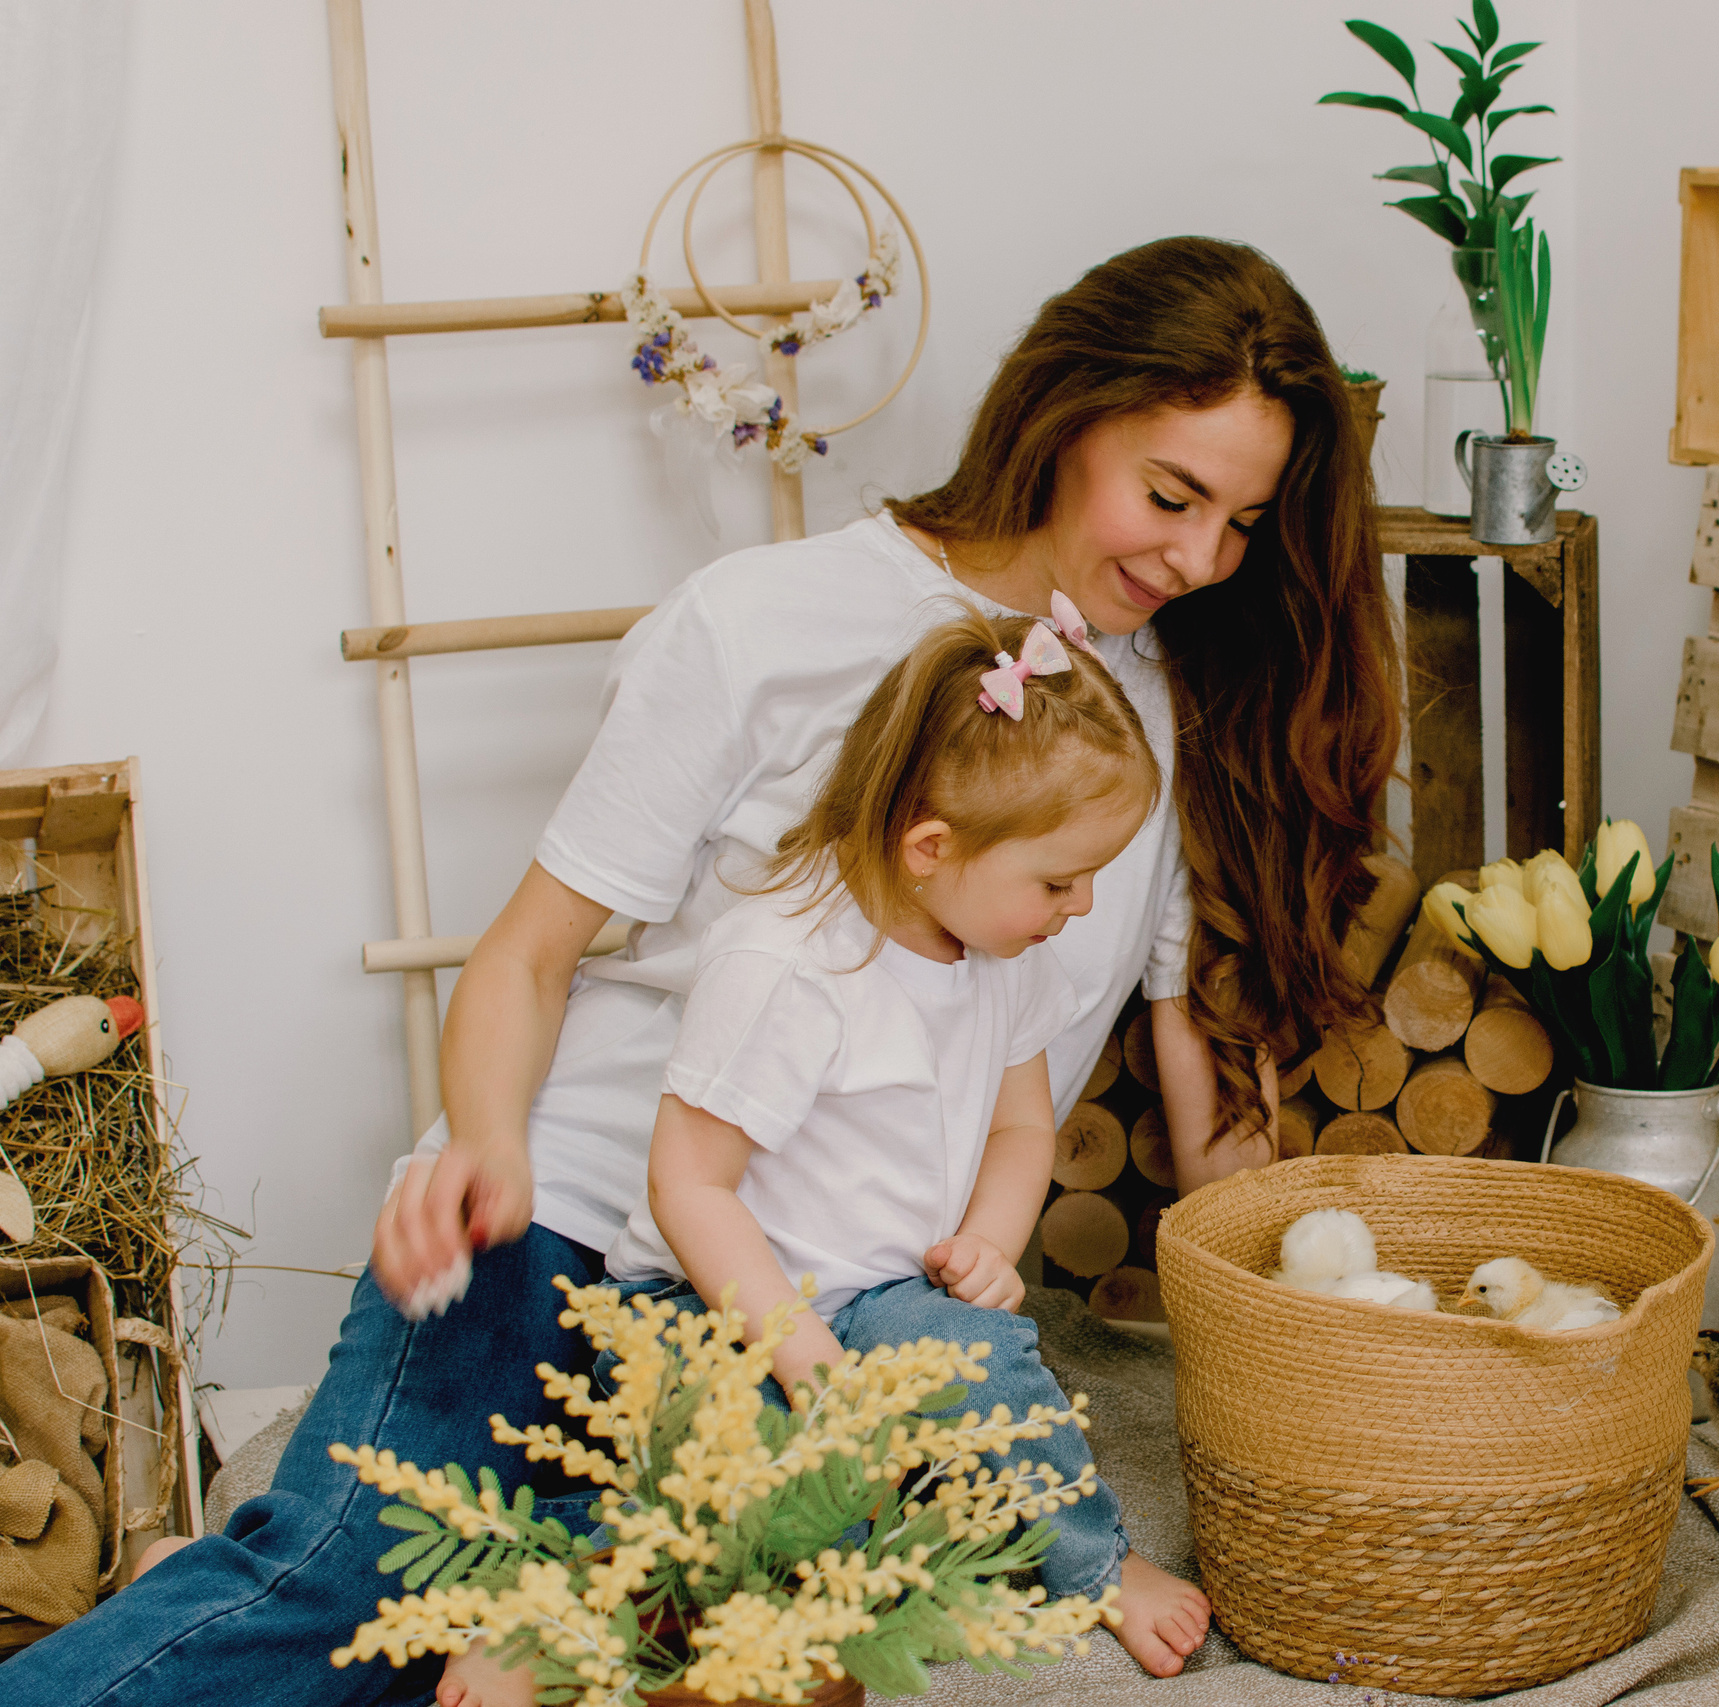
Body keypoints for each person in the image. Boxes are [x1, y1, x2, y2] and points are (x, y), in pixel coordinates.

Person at [2, 234, 1397, 1704]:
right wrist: (484, 1148)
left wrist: (1312, 1331)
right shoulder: (762, 622)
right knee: (344, 1598)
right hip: (584, 1226)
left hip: (826, 1331)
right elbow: (529, 954)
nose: (1200, 558)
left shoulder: (1155, 722)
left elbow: (1187, 1048)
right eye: (1171, 496)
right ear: (1063, 419)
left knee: (647, 1652)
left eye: (1243, 523)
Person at [437, 605, 1169, 1707]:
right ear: (931, 849)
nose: (1085, 906)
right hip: (716, 1301)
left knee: (992, 1369)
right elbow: (689, 1185)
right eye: (1062, 881)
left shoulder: (1000, 946)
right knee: (754, 1487)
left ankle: (1093, 1563)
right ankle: (551, 1598)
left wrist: (987, 1241)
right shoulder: (788, 966)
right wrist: (797, 1350)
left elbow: (1022, 1126)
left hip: (879, 1290)